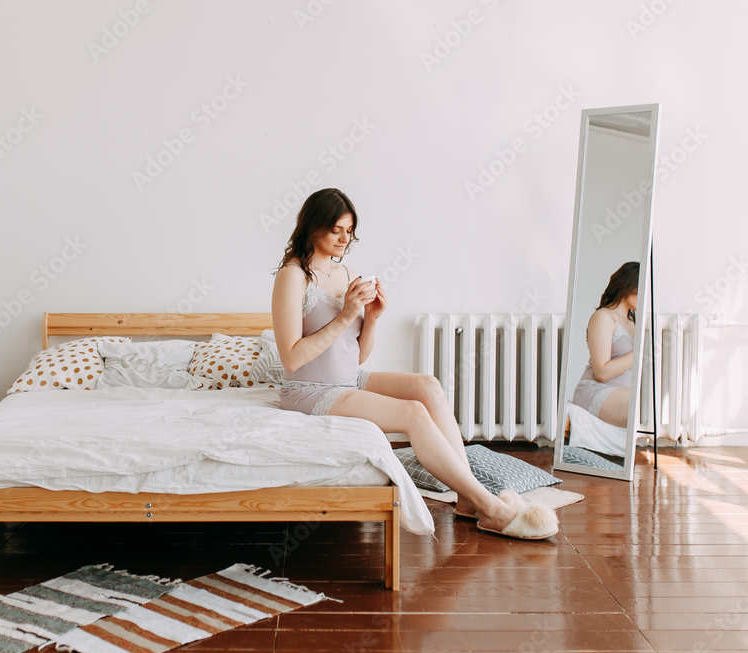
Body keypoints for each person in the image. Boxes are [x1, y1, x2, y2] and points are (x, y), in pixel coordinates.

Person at [271, 188, 558, 540]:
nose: (346, 238)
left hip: (348, 378)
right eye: (336, 230)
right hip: (310, 390)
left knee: (428, 386)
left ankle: (466, 497)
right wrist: (347, 314)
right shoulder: (293, 275)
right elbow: (291, 356)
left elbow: (356, 356)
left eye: (350, 230)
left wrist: (373, 319)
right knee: (413, 413)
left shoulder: (347, 274)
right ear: (313, 227)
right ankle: (488, 506)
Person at [571, 262, 639, 428]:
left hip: (622, 391)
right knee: (641, 404)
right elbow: (601, 372)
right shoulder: (603, 317)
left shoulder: (633, 321)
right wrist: (638, 354)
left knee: (651, 401)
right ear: (629, 287)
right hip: (597, 390)